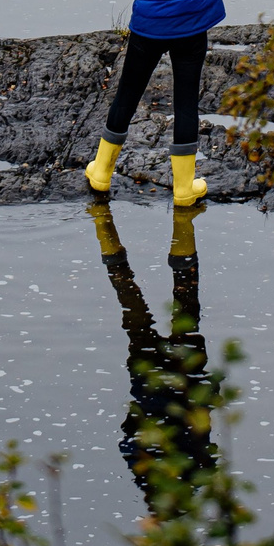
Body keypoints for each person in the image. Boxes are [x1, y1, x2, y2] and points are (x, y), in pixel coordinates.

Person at [84, 0, 225, 208]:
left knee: (127, 96)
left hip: (150, 27)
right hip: (192, 26)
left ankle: (101, 172)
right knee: (187, 102)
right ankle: (184, 188)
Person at [88, 200, 220, 514]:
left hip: (180, 380)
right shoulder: (148, 474)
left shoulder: (192, 476)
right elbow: (128, 436)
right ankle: (107, 234)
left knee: (185, 305)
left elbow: (206, 435)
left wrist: (210, 391)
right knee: (135, 312)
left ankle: (180, 229)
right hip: (151, 382)